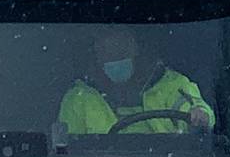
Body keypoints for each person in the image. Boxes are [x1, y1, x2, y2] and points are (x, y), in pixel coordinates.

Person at [59, 27, 213, 137]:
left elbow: (197, 112)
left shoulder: (171, 84)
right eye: (107, 52)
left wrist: (199, 116)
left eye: (121, 50)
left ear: (136, 49)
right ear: (96, 57)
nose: (115, 57)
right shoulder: (78, 99)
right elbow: (69, 152)